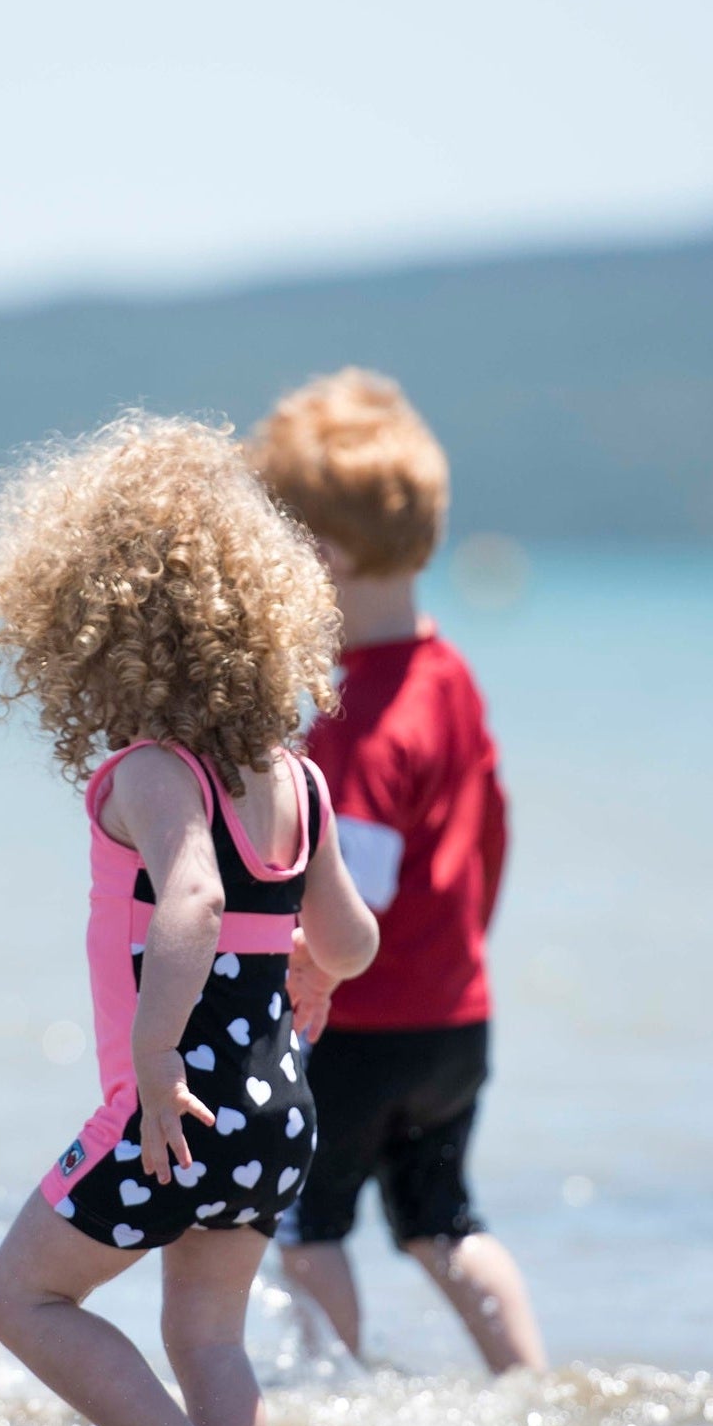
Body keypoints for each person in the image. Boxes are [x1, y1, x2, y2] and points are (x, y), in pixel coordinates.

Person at [0, 415, 378, 1426]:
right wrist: (315, 974)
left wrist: (153, 1059)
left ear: (90, 630)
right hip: (275, 1111)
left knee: (20, 1293)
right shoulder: (297, 779)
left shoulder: (149, 771)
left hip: (174, 1110)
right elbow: (349, 940)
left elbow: (189, 899)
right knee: (211, 1335)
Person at [248, 368, 546, 1374]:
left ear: (318, 555)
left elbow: (353, 886)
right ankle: (524, 1381)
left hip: (356, 1024)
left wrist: (297, 975)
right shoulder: (449, 672)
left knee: (307, 1224)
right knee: (439, 1216)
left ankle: (346, 1390)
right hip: (454, 1015)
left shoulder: (359, 715)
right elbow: (492, 830)